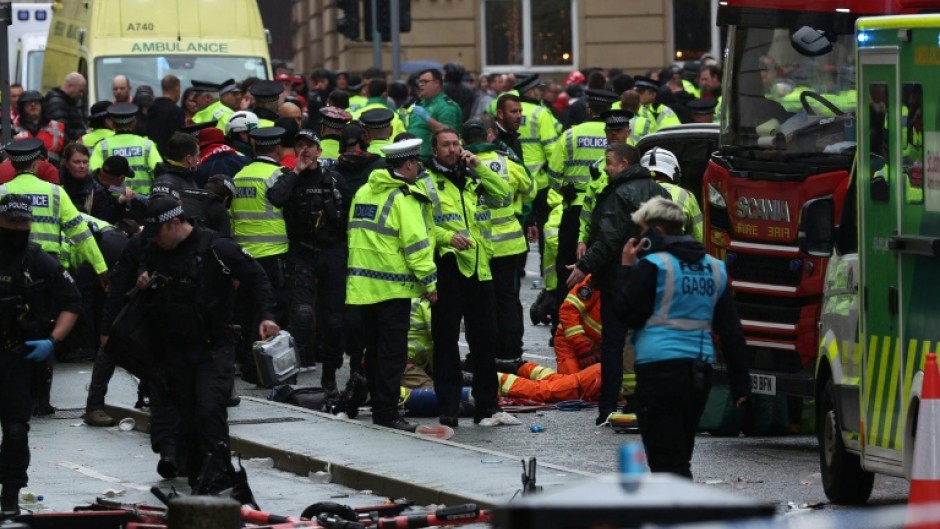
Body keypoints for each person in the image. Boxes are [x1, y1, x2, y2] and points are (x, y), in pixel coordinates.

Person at [135, 196, 279, 489]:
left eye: (158, 234)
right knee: (185, 414)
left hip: (214, 345)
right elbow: (143, 269)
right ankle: (197, 472)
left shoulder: (217, 248)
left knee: (209, 409)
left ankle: (219, 474)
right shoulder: (156, 249)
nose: (155, 241)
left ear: (175, 223)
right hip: (174, 348)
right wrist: (143, 278)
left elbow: (257, 278)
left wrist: (266, 315)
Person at [614, 197, 750, 477]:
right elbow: (731, 331)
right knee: (680, 457)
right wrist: (741, 386)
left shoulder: (654, 265)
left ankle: (675, 516)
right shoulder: (715, 267)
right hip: (699, 372)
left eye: (643, 231)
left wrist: (627, 268)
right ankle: (678, 511)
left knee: (664, 463)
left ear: (657, 232)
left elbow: (626, 313)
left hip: (659, 371)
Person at [564, 143, 668, 425]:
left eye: (609, 162)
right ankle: (648, 404)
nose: (605, 167)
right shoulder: (660, 191)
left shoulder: (619, 195)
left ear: (623, 164)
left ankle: (608, 407)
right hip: (656, 277)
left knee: (613, 343)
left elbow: (609, 239)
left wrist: (584, 267)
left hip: (621, 279)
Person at [346, 138, 437, 431]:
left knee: (372, 352)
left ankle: (377, 404)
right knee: (392, 354)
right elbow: (416, 244)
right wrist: (429, 281)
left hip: (363, 286)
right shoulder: (402, 197)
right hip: (393, 287)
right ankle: (386, 412)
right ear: (409, 164)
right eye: (417, 163)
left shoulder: (364, 191)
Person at [424, 128, 514, 427]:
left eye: (455, 144)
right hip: (448, 267)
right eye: (445, 145)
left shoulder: (474, 176)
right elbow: (421, 226)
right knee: (446, 339)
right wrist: (447, 237)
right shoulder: (427, 182)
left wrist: (479, 167)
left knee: (486, 340)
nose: (452, 149)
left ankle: (487, 404)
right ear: (434, 151)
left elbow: (504, 196)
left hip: (480, 267)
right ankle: (448, 406)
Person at [0, 194, 82, 513]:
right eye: (12, 222)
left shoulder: (38, 260)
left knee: (17, 431)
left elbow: (72, 302)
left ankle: (10, 496)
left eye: (24, 222)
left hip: (18, 357)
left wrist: (53, 340)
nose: (18, 227)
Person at [267, 129, 351, 391]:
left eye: (310, 145)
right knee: (302, 315)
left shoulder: (335, 179)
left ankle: (329, 378)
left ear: (319, 150)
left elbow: (349, 215)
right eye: (300, 145)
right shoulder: (286, 177)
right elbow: (275, 198)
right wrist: (295, 172)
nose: (305, 150)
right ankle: (288, 379)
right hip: (302, 253)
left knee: (334, 321)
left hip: (332, 254)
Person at [461, 117, 534, 361]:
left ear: (463, 140)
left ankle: (481, 353)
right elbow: (530, 189)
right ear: (488, 135)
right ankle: (511, 351)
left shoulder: (460, 165)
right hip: (508, 245)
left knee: (478, 303)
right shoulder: (506, 160)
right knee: (507, 301)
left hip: (475, 247)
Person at [549, 89, 619, 328]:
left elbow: (553, 177)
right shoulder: (617, 136)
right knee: (603, 271)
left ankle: (564, 324)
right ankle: (596, 327)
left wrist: (564, 188)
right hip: (608, 213)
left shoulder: (570, 136)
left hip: (575, 211)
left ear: (589, 109)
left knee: (567, 270)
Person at [88, 103, 163, 195]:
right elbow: (159, 173)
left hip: (113, 202)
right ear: (134, 122)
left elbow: (95, 175)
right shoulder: (147, 145)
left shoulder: (102, 146)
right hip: (142, 202)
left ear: (112, 123)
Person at [640, 147, 703, 243]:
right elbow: (699, 237)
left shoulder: (633, 192)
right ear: (675, 172)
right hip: (677, 252)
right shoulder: (685, 195)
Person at [406, 69, 462, 160]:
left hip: (432, 158)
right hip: (415, 156)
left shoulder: (446, 106)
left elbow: (450, 134)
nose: (420, 85)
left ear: (437, 83)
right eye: (420, 82)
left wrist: (428, 119)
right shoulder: (421, 103)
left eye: (424, 82)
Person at [13, 90, 67, 163]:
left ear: (42, 105)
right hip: (22, 168)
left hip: (52, 168)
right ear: (22, 107)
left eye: (37, 102)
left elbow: (66, 153)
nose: (33, 105)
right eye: (28, 103)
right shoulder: (13, 127)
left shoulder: (57, 126)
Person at [60, 142, 111, 218]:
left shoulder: (96, 191)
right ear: (66, 163)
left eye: (85, 162)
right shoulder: (54, 184)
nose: (82, 166)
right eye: (76, 162)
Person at [147, 75, 186, 156]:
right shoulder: (176, 111)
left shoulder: (151, 108)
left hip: (152, 154)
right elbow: (179, 138)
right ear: (177, 88)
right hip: (170, 157)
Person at [43, 72, 87, 142]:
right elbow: (62, 131)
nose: (81, 94)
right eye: (80, 91)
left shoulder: (68, 102)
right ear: (70, 86)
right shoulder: (57, 104)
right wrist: (82, 134)